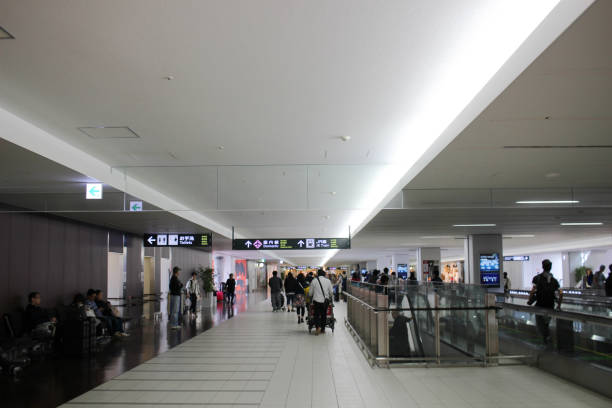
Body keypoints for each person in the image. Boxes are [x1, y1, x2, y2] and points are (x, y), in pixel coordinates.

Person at [529, 259, 562, 345]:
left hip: (540, 305)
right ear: (550, 268)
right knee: (546, 323)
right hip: (550, 305)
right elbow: (561, 293)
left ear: (542, 266)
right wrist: (559, 305)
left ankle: (545, 339)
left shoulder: (537, 278)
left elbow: (533, 291)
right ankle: (547, 338)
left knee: (540, 324)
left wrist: (530, 300)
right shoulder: (554, 281)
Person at [308, 269, 333, 335]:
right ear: (324, 274)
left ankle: (317, 328)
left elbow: (310, 293)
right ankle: (323, 329)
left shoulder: (314, 281)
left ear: (318, 274)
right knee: (324, 315)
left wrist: (311, 295)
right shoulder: (328, 281)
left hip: (316, 301)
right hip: (325, 301)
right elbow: (331, 292)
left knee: (316, 314)